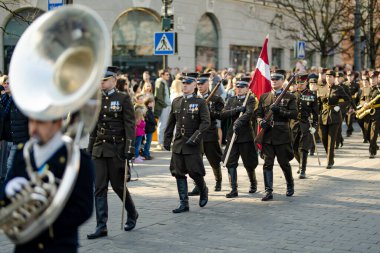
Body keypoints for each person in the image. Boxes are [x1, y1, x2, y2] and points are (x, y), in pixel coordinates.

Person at [2, 116, 94, 253]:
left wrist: (41, 217)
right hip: (25, 248)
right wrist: (7, 190)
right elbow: (3, 196)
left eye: (40, 122)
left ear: (57, 123)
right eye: (31, 122)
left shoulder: (77, 160)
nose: (33, 129)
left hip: (59, 246)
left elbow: (84, 209)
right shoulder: (24, 153)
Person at [87, 67, 138, 239]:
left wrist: (129, 148)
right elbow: (93, 126)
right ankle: (101, 226)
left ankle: (132, 213)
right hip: (100, 148)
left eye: (105, 80)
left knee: (118, 187)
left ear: (114, 81)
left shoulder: (123, 98)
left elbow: (130, 125)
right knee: (99, 188)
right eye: (100, 80)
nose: (102, 83)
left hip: (116, 149)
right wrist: (90, 148)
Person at [163, 72, 210, 213]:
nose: (185, 85)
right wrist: (167, 138)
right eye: (183, 83)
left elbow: (206, 122)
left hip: (193, 143)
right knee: (178, 173)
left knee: (195, 172)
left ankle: (203, 189)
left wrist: (196, 137)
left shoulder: (200, 102)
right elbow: (171, 122)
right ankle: (184, 203)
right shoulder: (176, 101)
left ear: (194, 85)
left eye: (188, 83)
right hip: (179, 143)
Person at [256, 69, 297, 201]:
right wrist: (261, 121)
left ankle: (290, 186)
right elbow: (258, 114)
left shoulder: (290, 97)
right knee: (267, 163)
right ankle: (268, 191)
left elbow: (294, 114)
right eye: (272, 79)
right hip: (267, 135)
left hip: (282, 134)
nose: (274, 81)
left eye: (277, 79)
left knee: (284, 163)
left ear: (283, 80)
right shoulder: (264, 96)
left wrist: (279, 110)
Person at [219, 77, 258, 198]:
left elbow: (249, 113)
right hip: (233, 136)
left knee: (249, 162)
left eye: (242, 87)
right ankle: (233, 188)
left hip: (245, 135)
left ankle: (253, 183)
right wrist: (236, 110)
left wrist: (238, 122)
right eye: (238, 87)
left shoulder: (250, 99)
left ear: (247, 89)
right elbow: (223, 114)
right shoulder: (231, 99)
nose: (239, 89)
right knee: (230, 162)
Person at [188, 73, 224, 195]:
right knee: (195, 162)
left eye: (202, 84)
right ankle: (198, 186)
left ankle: (218, 181)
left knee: (214, 160)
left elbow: (221, 115)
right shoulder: (192, 99)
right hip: (196, 134)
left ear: (208, 84)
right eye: (198, 84)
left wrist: (208, 111)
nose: (199, 86)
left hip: (209, 134)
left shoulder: (216, 99)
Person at [318, 70, 350, 169]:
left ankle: (330, 160)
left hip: (334, 116)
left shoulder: (338, 88)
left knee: (331, 140)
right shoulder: (322, 88)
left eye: (330, 77)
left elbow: (347, 99)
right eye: (327, 77)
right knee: (323, 138)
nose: (328, 78)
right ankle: (329, 154)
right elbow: (319, 103)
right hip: (323, 116)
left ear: (333, 78)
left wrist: (339, 107)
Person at [291, 74, 318, 179]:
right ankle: (300, 163)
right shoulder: (292, 95)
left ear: (306, 82)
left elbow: (315, 113)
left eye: (302, 83)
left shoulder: (311, 95)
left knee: (303, 148)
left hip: (306, 124)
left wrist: (315, 125)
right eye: (298, 83)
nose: (300, 85)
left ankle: (303, 169)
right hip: (294, 124)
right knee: (294, 148)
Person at [154, 69, 171, 151]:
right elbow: (158, 96)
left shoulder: (164, 82)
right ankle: (160, 143)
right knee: (162, 125)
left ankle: (163, 142)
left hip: (167, 105)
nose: (168, 76)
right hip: (163, 106)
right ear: (162, 75)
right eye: (167, 74)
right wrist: (165, 105)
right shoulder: (160, 82)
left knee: (165, 125)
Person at [367, 71, 380, 159]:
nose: (372, 80)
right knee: (368, 133)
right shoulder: (368, 89)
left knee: (374, 133)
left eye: (374, 78)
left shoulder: (379, 89)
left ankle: (372, 151)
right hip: (369, 113)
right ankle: (374, 146)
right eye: (371, 79)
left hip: (378, 113)